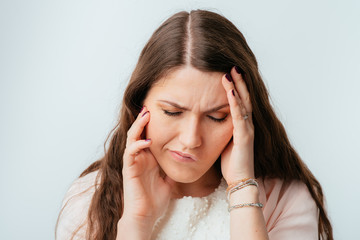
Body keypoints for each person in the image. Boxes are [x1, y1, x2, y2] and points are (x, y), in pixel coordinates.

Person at [55, 9, 333, 240]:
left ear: (244, 116)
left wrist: (242, 188)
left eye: (216, 117)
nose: (191, 139)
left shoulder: (286, 199)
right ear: (140, 104)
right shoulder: (88, 200)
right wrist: (137, 220)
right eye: (173, 112)